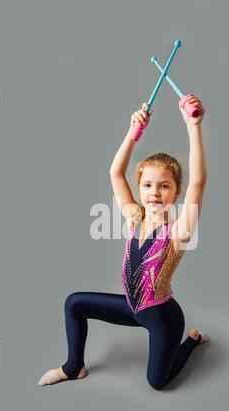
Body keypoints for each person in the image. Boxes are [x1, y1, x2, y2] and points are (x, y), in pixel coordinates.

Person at [38, 93, 209, 390]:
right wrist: (134, 133)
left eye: (164, 186)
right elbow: (115, 173)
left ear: (176, 192)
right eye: (147, 185)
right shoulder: (135, 217)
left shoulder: (179, 232)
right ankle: (73, 366)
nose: (154, 192)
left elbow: (198, 181)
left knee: (158, 382)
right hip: (132, 308)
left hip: (161, 318)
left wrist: (193, 126)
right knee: (74, 303)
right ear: (140, 189)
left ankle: (192, 341)